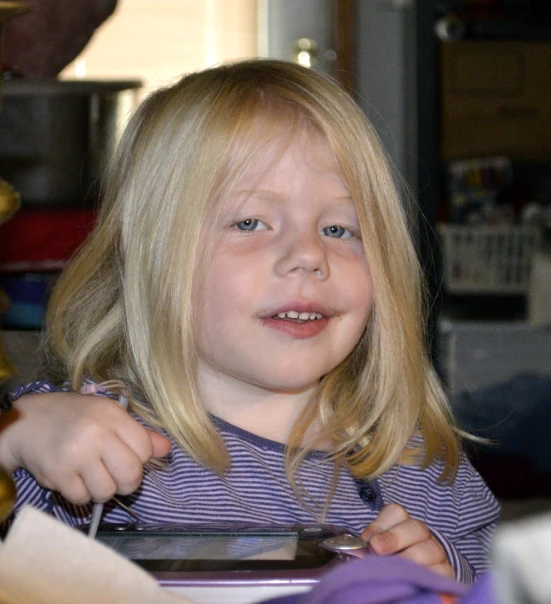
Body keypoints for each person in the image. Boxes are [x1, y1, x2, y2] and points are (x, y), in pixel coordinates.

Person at [0, 59, 499, 582]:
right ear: (152, 256)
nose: (309, 255)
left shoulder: (421, 467)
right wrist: (17, 437)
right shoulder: (93, 440)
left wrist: (449, 577)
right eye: (250, 222)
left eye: (338, 228)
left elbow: (503, 583)